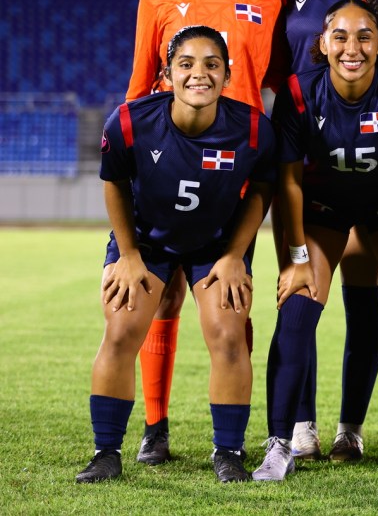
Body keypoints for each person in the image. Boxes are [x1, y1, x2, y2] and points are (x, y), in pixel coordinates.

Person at [250, 0, 378, 483]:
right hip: (325, 210)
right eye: (340, 36)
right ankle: (279, 444)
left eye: (365, 35)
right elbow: (291, 182)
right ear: (322, 43)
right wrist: (297, 257)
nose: (352, 47)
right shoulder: (299, 93)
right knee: (297, 305)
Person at [124, 0, 287, 466]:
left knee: (231, 299)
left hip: (235, 172)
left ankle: (233, 438)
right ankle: (154, 428)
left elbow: (279, 86)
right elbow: (140, 89)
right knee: (160, 299)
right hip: (168, 166)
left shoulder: (268, 0)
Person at [75, 25, 277, 484]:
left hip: (216, 244)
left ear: (228, 74)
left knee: (229, 332)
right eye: (186, 64)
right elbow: (115, 184)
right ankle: (106, 452)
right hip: (146, 242)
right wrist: (127, 254)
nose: (198, 75)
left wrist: (235, 255)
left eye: (211, 65)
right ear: (167, 73)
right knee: (122, 328)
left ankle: (228, 451)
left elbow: (261, 191)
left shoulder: (252, 128)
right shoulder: (128, 122)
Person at [277, 0, 378, 463]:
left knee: (362, 292)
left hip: (377, 164)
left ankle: (349, 426)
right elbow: (277, 79)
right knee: (301, 293)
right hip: (310, 167)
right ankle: (300, 422)